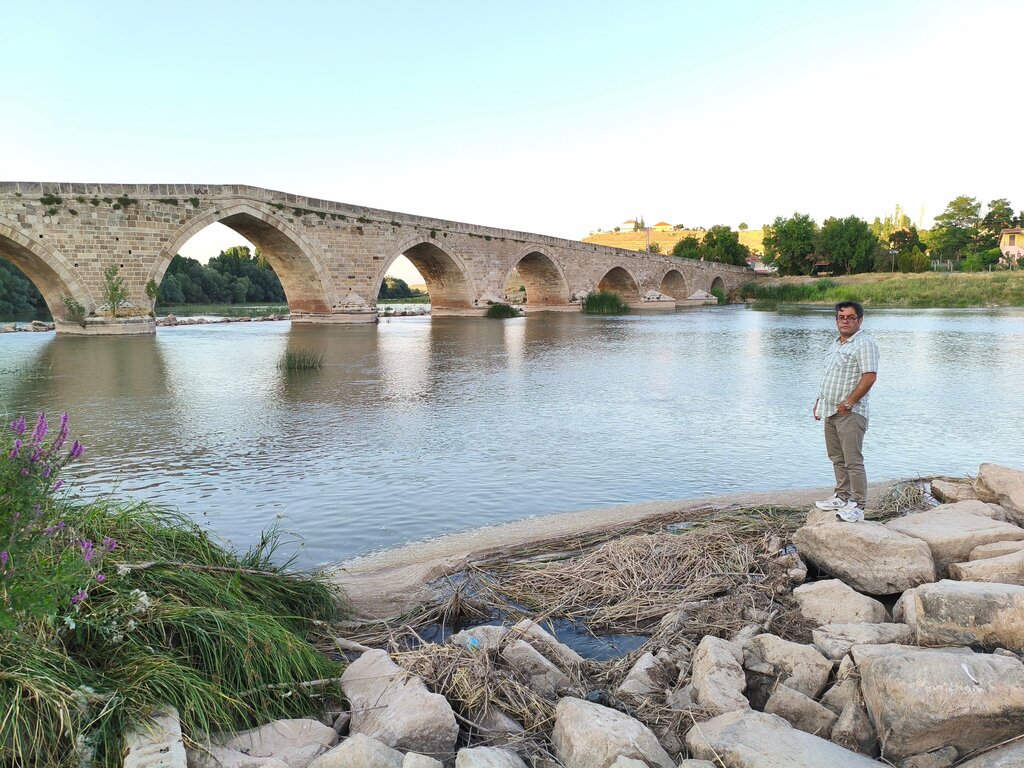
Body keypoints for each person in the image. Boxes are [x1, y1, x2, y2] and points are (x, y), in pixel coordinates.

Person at [812, 301, 879, 522]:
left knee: (853, 461)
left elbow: (869, 377)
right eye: (841, 317)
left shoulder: (864, 344)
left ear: (860, 320)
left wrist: (849, 402)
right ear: (836, 321)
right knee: (837, 457)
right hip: (830, 410)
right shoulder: (836, 344)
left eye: (851, 317)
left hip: (851, 412)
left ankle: (858, 506)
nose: (845, 321)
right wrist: (819, 401)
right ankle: (842, 497)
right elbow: (830, 376)